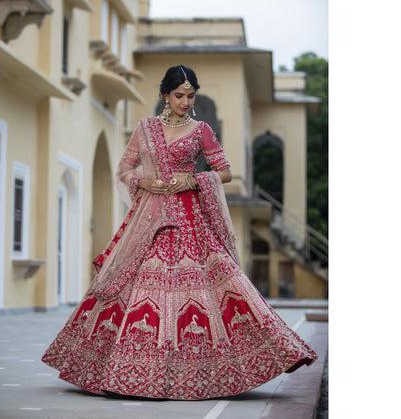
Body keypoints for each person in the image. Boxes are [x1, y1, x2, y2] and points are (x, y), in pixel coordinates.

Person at [41, 65, 318, 400]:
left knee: (216, 285)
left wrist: (193, 179)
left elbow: (225, 171)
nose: (185, 101)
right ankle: (128, 372)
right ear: (165, 95)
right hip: (149, 221)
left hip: (190, 219)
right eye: (179, 95)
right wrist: (146, 182)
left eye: (191, 96)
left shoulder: (201, 130)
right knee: (136, 286)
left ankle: (235, 362)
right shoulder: (145, 128)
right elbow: (125, 169)